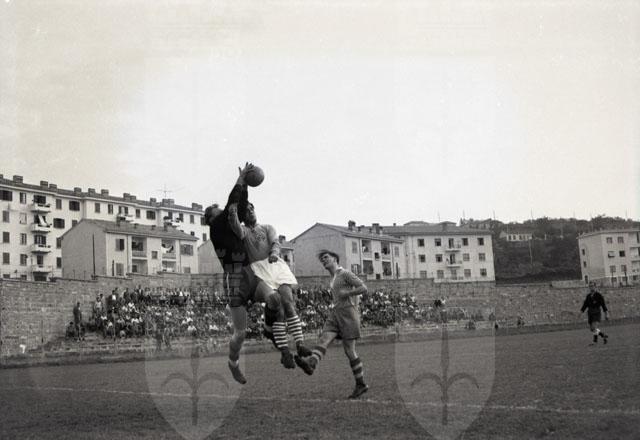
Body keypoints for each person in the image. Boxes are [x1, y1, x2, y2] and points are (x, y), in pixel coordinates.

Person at [204, 163, 292, 384]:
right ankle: (233, 363)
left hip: (251, 272)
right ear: (211, 219)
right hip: (234, 278)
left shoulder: (231, 224)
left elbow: (239, 206)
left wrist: (244, 187)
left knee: (274, 299)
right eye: (217, 211)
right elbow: (232, 203)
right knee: (241, 333)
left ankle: (268, 329)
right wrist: (242, 179)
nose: (222, 211)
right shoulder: (216, 227)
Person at [228, 197, 311, 367]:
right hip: (259, 269)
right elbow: (236, 227)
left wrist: (274, 252)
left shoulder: (267, 227)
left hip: (275, 265)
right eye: (247, 210)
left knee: (288, 302)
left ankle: (300, 344)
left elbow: (275, 242)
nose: (250, 211)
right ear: (243, 215)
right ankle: (285, 352)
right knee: (275, 302)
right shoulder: (244, 231)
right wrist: (233, 211)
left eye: (252, 208)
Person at [294, 250, 369, 399]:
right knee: (323, 339)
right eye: (322, 259)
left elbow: (363, 288)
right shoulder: (333, 278)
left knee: (349, 351)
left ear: (335, 259)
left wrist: (347, 294)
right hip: (335, 313)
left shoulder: (345, 274)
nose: (324, 261)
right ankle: (311, 363)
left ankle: (361, 384)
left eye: (326, 257)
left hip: (348, 314)